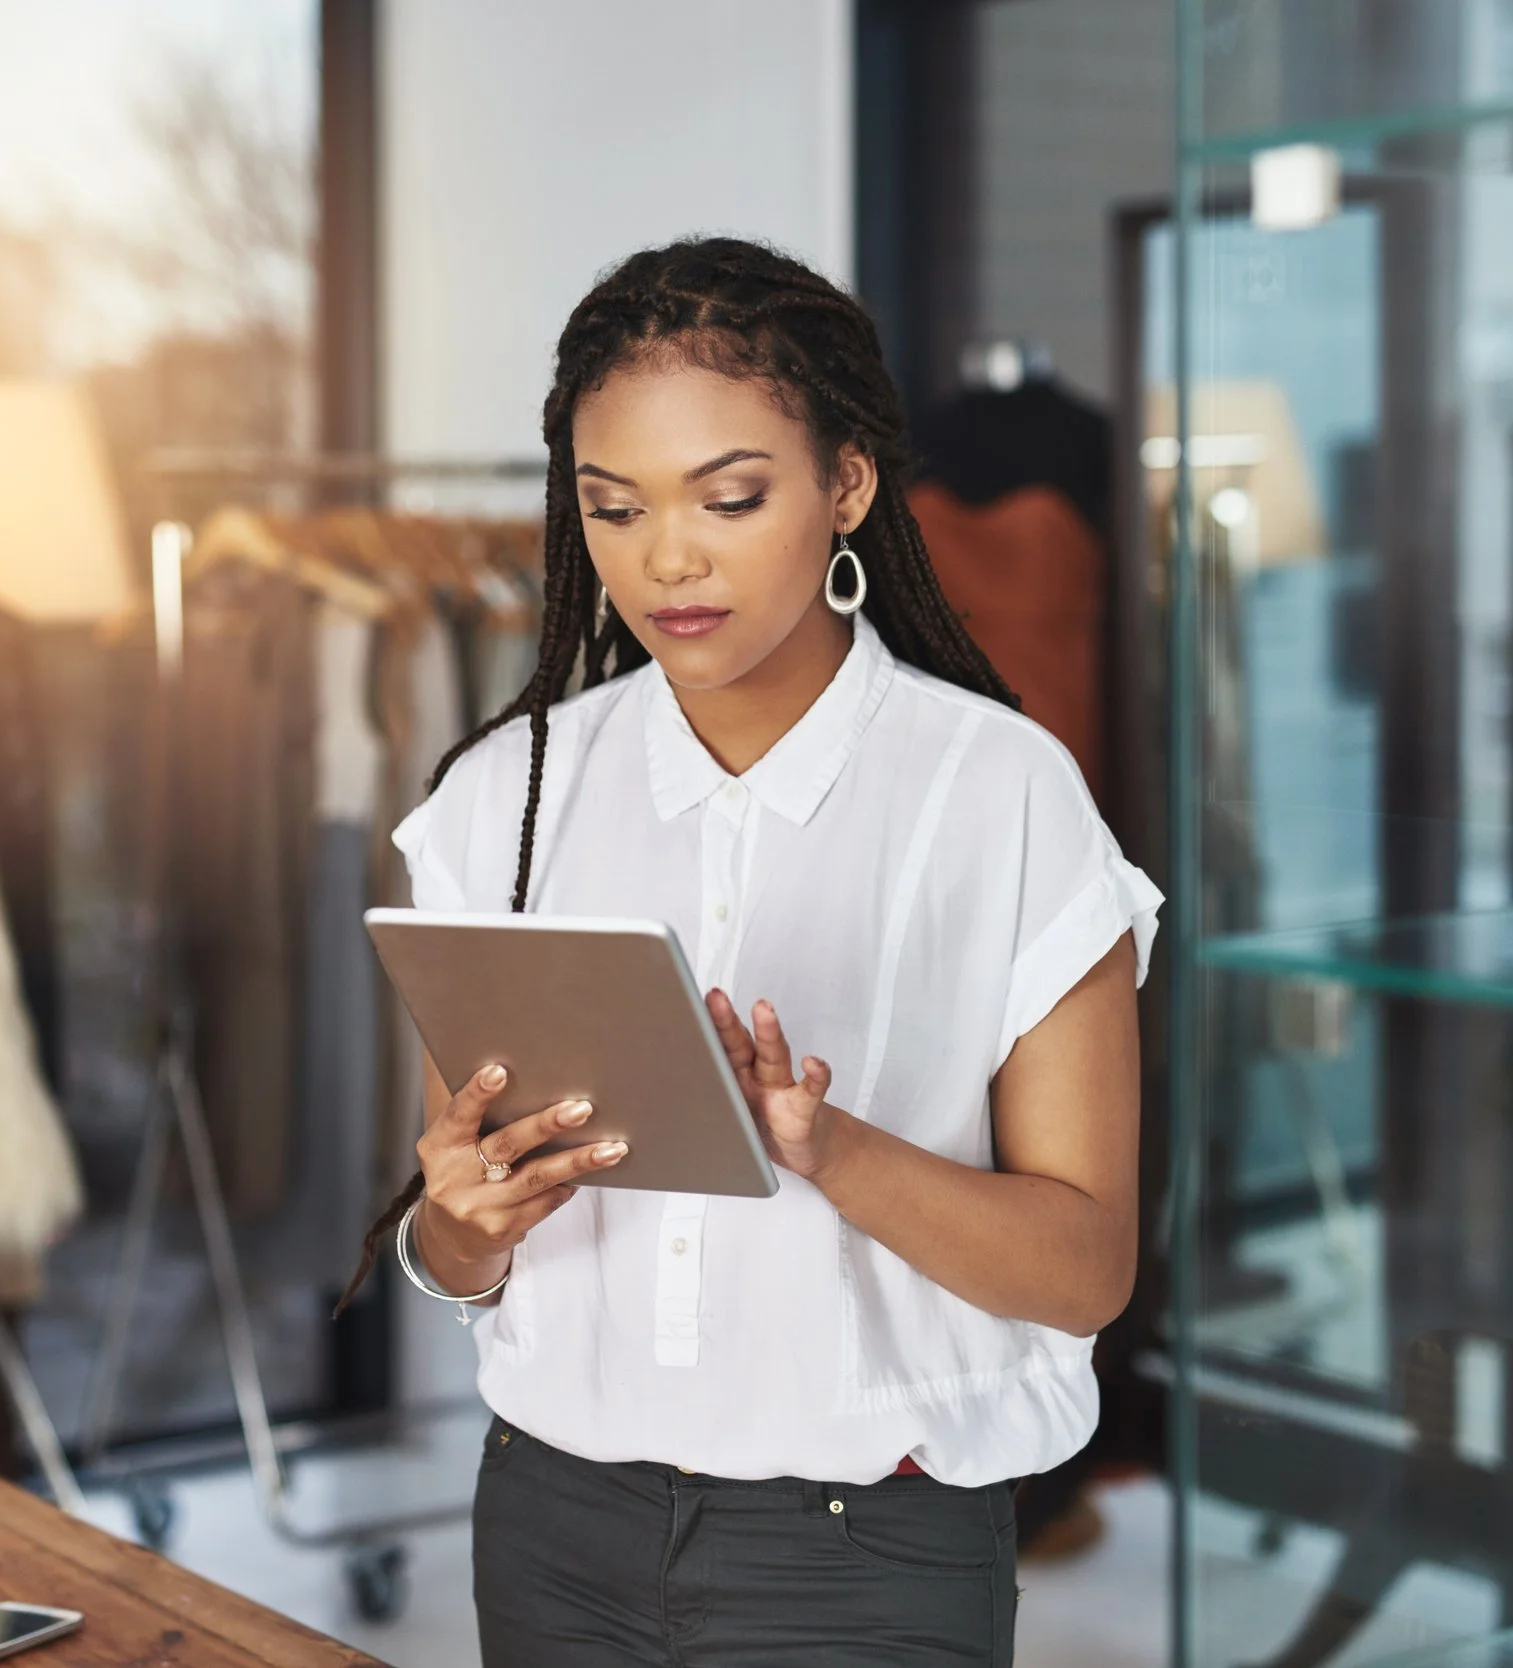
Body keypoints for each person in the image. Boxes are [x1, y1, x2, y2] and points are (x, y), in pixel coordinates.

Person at [338, 238, 1159, 1667]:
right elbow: (455, 1245)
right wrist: (463, 1227)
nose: (667, 559)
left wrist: (828, 1148)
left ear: (847, 485)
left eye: (731, 497)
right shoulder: (503, 796)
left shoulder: (1003, 793)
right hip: (551, 1528)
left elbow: (1086, 1270)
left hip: (868, 1560)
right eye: (613, 507)